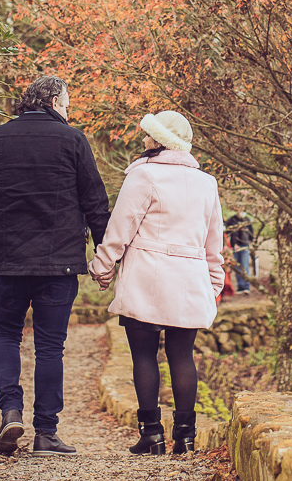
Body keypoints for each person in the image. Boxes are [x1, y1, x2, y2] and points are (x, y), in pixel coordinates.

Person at [0, 75, 110, 457]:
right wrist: (106, 255)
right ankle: (46, 433)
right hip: (58, 266)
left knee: (5, 335)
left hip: (7, 263)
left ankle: (10, 412)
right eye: (68, 104)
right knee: (49, 347)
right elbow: (96, 204)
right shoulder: (73, 140)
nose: (69, 111)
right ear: (55, 102)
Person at [89, 110, 224, 456]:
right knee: (182, 355)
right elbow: (213, 243)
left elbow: (120, 229)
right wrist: (213, 284)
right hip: (189, 281)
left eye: (148, 134)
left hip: (146, 279)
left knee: (144, 355)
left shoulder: (144, 175)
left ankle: (152, 435)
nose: (143, 139)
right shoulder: (206, 183)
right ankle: (186, 438)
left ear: (160, 141)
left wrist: (102, 268)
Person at [224, 211, 256, 294]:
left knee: (245, 265)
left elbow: (251, 233)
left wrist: (251, 243)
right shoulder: (232, 220)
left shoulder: (247, 220)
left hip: (244, 245)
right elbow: (226, 230)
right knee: (237, 266)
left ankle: (246, 286)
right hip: (235, 246)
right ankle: (240, 286)